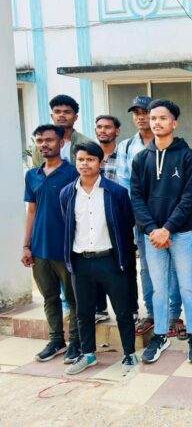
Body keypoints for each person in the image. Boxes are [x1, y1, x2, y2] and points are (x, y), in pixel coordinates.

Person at [130, 99, 192, 364]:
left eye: (163, 118)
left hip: (182, 233)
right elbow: (136, 197)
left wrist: (168, 228)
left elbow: (191, 196)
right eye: (153, 118)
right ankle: (160, 335)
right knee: (158, 289)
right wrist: (154, 230)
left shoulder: (188, 156)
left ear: (174, 123)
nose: (157, 122)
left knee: (187, 286)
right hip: (152, 237)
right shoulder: (141, 158)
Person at [60, 142, 137, 375]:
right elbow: (68, 226)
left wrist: (123, 259)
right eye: (81, 159)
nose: (85, 164)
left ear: (100, 163)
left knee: (122, 310)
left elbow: (127, 224)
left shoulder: (116, 192)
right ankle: (88, 354)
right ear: (76, 162)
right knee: (83, 312)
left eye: (90, 159)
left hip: (110, 260)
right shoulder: (67, 193)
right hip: (81, 261)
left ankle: (129, 353)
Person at [115, 96, 183, 337]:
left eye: (147, 112)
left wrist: (168, 225)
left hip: (173, 221)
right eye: (138, 113)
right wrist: (142, 220)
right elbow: (127, 188)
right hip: (143, 222)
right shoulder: (126, 147)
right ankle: (153, 313)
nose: (143, 117)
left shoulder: (177, 150)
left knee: (174, 267)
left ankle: (174, 313)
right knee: (146, 267)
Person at [21, 125, 80, 364]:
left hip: (66, 248)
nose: (44, 144)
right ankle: (56, 340)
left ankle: (76, 342)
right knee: (49, 297)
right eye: (39, 141)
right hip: (39, 248)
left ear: (61, 143)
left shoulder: (73, 172)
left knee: (74, 298)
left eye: (49, 140)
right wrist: (26, 245)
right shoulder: (32, 175)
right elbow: (32, 210)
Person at [94, 115, 140, 324]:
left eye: (108, 127)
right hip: (95, 219)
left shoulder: (123, 153)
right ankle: (100, 308)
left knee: (126, 265)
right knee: (95, 264)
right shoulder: (91, 155)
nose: (103, 130)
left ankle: (131, 309)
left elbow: (129, 183)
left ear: (117, 131)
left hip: (119, 218)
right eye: (99, 127)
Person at [32, 95, 94, 167]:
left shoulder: (87, 143)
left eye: (67, 112)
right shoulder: (39, 146)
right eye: (57, 112)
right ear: (52, 116)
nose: (62, 115)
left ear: (75, 117)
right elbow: (36, 170)